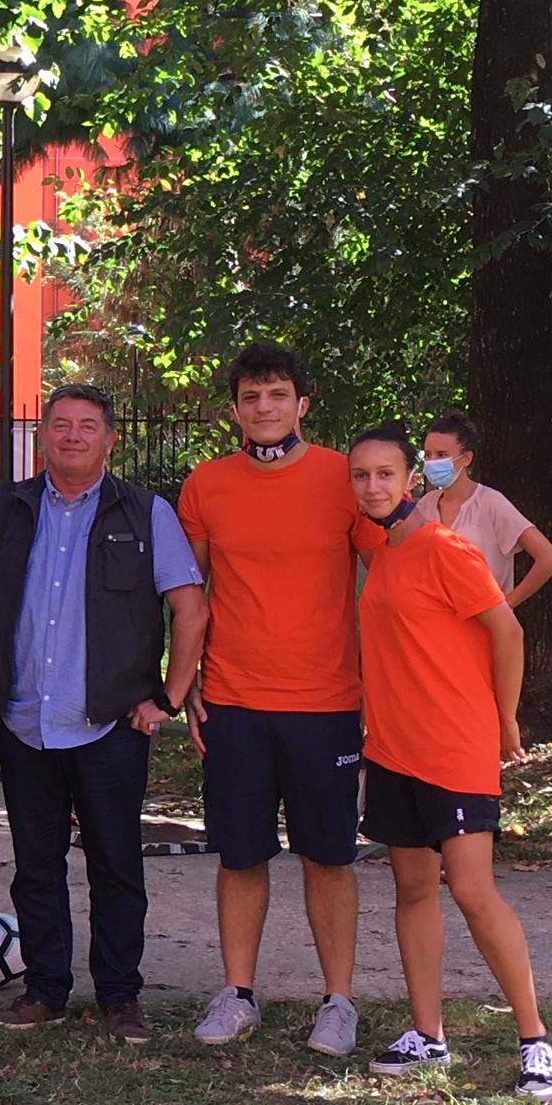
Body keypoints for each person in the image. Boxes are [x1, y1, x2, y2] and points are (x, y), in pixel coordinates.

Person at [0, 384, 207, 1044]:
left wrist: (170, 696)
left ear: (109, 439)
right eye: (60, 424)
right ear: (42, 436)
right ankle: (45, 991)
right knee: (36, 866)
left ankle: (120, 996)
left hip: (111, 724)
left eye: (87, 426)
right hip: (24, 720)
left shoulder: (146, 512)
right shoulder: (3, 507)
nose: (72, 436)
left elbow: (190, 608)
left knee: (116, 865)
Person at [177, 341, 386, 1054]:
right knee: (240, 854)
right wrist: (184, 680)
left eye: (276, 394)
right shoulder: (206, 484)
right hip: (234, 700)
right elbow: (189, 595)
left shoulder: (341, 477)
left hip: (326, 701)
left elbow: (390, 577)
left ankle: (338, 1001)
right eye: (250, 396)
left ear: (302, 403)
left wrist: (391, 684)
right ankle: (237, 994)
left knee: (328, 856)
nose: (263, 407)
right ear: (234, 410)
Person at [348, 423, 552, 1100]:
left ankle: (534, 1040)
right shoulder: (383, 554)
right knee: (413, 890)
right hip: (392, 750)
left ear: (411, 479)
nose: (373, 486)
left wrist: (505, 719)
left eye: (386, 473)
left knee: (471, 891)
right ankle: (428, 1035)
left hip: (456, 747)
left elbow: (509, 632)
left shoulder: (446, 549)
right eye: (361, 476)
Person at [416, 410, 552, 605]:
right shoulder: (425, 505)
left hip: (482, 620)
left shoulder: (490, 502)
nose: (432, 462)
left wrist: (506, 607)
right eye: (428, 455)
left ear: (466, 458)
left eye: (442, 455)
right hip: (434, 618)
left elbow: (550, 558)